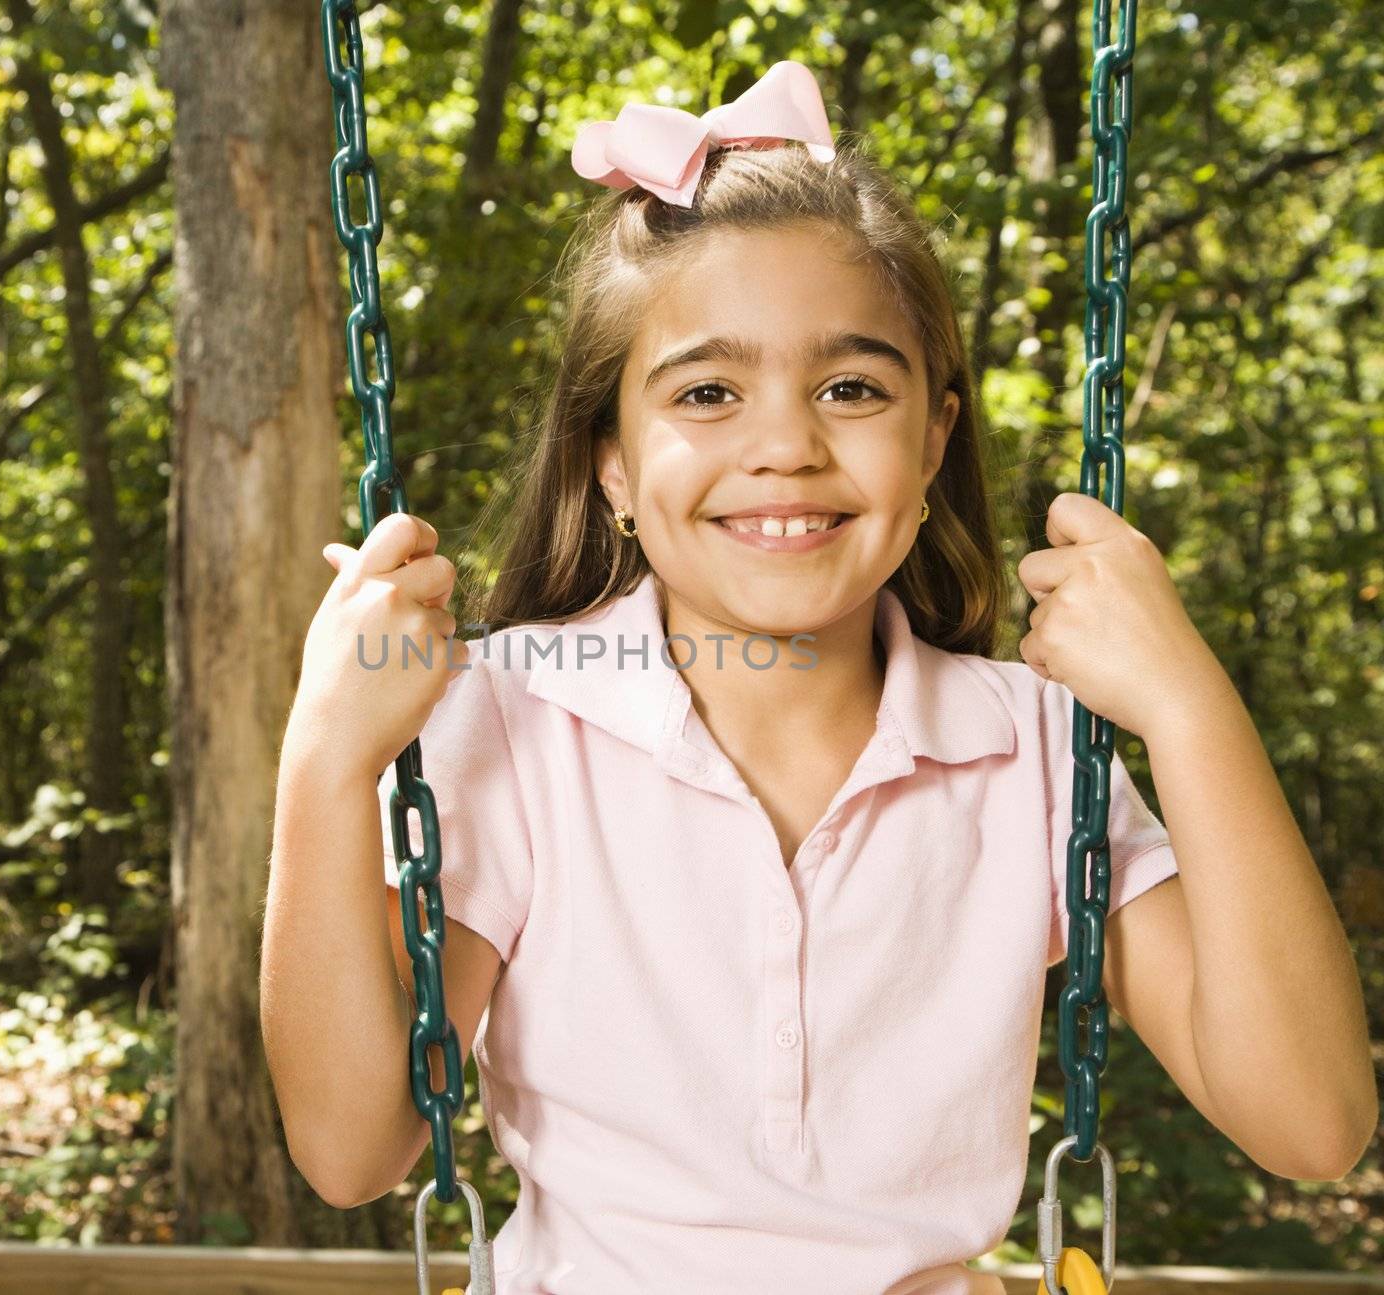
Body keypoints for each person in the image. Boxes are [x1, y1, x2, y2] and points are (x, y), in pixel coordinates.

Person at [263, 59, 1375, 1295]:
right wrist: (325, 760)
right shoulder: (520, 720)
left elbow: (1313, 1122)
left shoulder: (1032, 750)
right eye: (707, 392)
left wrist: (1186, 704)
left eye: (850, 388)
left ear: (933, 434)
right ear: (615, 467)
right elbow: (353, 1147)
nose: (785, 444)